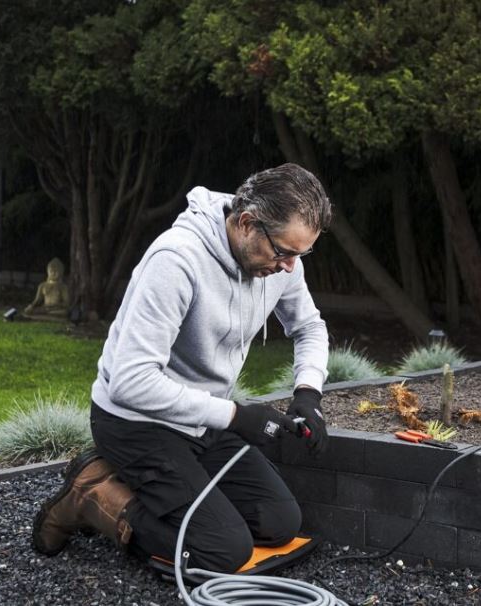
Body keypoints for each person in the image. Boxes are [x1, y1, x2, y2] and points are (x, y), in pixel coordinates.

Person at [31, 163, 333, 575]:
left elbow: (309, 326)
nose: (290, 267)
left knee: (279, 522)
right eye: (284, 252)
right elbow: (130, 382)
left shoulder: (279, 261)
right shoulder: (176, 260)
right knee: (222, 550)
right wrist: (235, 416)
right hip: (136, 422)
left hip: (202, 421)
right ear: (247, 223)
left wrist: (308, 392)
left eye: (301, 254)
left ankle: (161, 489)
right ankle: (92, 495)